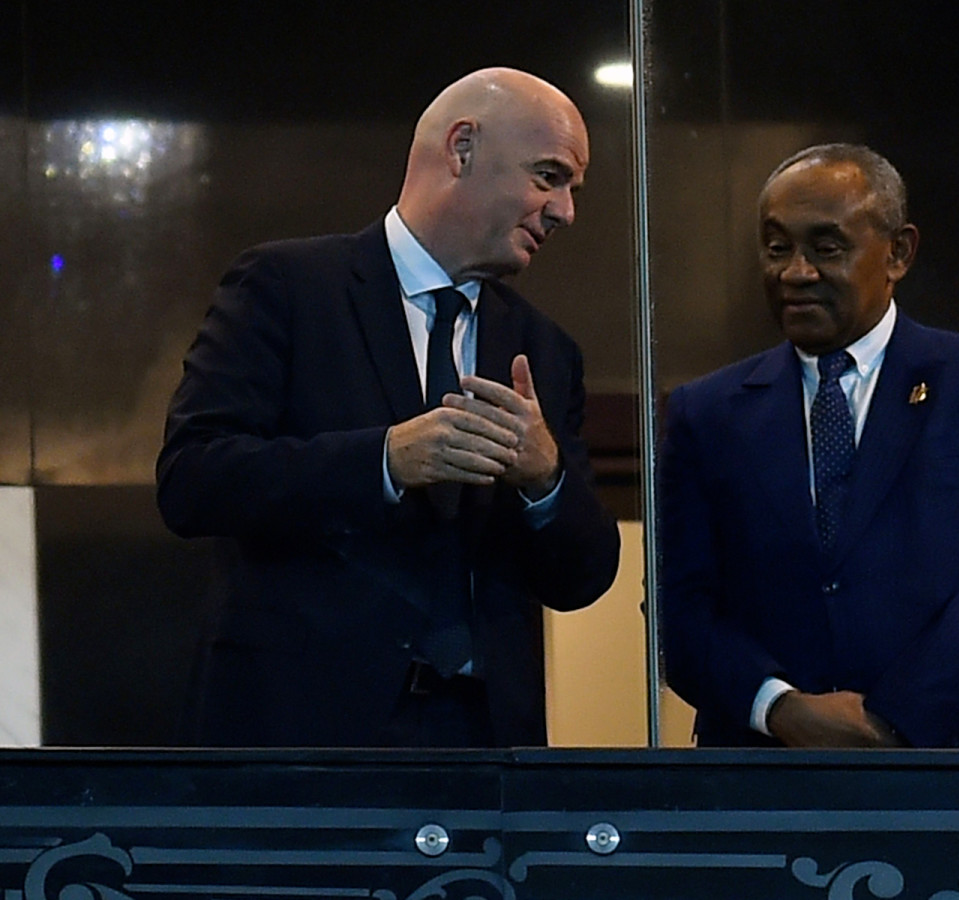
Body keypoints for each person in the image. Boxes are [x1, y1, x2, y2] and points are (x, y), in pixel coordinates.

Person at [157, 67, 620, 748]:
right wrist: (384, 460)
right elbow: (193, 480)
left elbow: (582, 577)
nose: (565, 211)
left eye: (571, 188)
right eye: (549, 176)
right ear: (461, 150)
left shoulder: (544, 350)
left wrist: (546, 478)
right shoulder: (287, 289)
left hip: (483, 748)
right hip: (303, 740)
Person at [659, 143, 959, 749]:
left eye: (826, 248)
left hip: (953, 759)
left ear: (898, 252)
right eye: (777, 248)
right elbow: (681, 606)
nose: (796, 272)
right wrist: (783, 710)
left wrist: (889, 718)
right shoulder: (706, 411)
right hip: (762, 771)